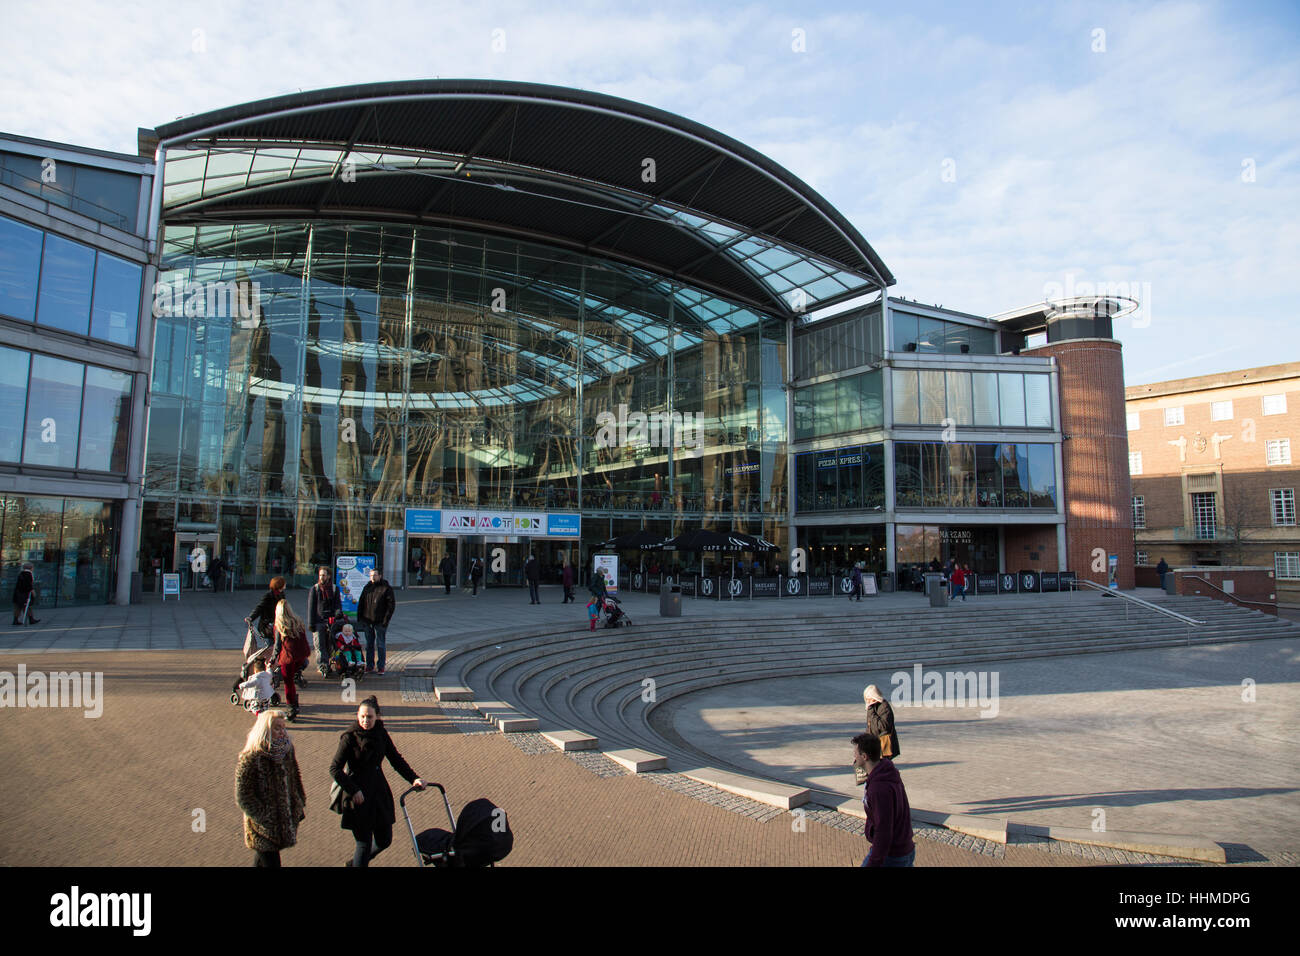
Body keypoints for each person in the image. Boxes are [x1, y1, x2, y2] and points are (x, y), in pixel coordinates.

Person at [330, 697, 425, 867]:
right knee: (363, 843)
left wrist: (414, 778)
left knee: (384, 840)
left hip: (379, 792)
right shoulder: (349, 737)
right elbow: (335, 769)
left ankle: (355, 863)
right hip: (358, 797)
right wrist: (354, 790)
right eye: (362, 717)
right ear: (357, 716)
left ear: (377, 717)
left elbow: (396, 759)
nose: (365, 721)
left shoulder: (381, 733)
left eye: (370, 717)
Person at [235, 709, 306, 867]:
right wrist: (265, 817)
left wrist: (299, 803)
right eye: (277, 728)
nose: (282, 732)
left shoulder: (287, 750)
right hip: (262, 827)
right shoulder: (251, 757)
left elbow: (295, 778)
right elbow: (243, 795)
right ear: (265, 730)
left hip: (283, 820)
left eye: (283, 727)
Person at [851, 732, 915, 867]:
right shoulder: (887, 773)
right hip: (903, 849)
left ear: (864, 756)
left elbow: (883, 830)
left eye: (855, 753)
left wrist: (874, 862)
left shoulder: (879, 788)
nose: (854, 757)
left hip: (893, 856)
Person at [274, 600, 311, 721]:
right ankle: (295, 704)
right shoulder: (298, 621)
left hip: (288, 657)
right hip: (300, 655)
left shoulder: (280, 624)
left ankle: (291, 707)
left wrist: (273, 659)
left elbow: (278, 645)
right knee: (292, 679)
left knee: (288, 682)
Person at [356, 568, 395, 675]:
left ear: (380, 576)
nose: (372, 577)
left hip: (380, 622)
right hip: (368, 621)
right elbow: (361, 603)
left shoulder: (386, 588)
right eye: (371, 575)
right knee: (369, 644)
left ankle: (381, 666)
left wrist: (385, 621)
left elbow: (391, 606)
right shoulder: (367, 587)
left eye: (375, 575)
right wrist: (360, 618)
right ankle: (369, 666)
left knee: (380, 644)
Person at [307, 566, 343, 676]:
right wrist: (311, 624)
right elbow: (311, 607)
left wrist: (338, 613)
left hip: (331, 622)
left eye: (324, 575)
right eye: (320, 575)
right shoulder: (315, 589)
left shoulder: (334, 588)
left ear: (329, 576)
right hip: (318, 621)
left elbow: (337, 604)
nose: (322, 577)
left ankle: (329, 664)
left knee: (330, 645)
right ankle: (322, 665)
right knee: (319, 645)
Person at [245, 576, 287, 648]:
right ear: (280, 585)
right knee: (270, 646)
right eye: (284, 584)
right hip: (268, 626)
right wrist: (251, 617)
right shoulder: (268, 596)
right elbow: (260, 607)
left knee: (277, 646)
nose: (285, 585)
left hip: (277, 624)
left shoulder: (281, 595)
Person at [863, 684, 900, 758]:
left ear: (875, 697)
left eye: (869, 699)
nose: (867, 701)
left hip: (884, 745)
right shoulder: (872, 707)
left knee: (882, 766)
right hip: (874, 743)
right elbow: (870, 726)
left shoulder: (884, 707)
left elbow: (883, 726)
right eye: (866, 699)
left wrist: (872, 713)